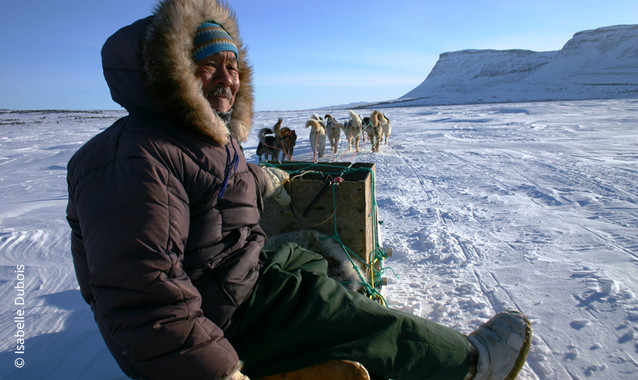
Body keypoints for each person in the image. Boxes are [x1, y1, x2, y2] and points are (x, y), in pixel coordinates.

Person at [66, 1, 532, 379]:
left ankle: (332, 340)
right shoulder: (131, 160)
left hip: (234, 276)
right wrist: (218, 373)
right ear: (173, 73)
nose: (228, 77)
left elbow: (220, 183)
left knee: (313, 252)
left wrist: (269, 177)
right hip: (213, 322)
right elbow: (143, 297)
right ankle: (470, 364)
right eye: (209, 65)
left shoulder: (197, 138)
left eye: (233, 66)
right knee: (327, 304)